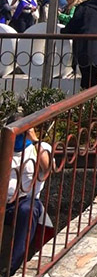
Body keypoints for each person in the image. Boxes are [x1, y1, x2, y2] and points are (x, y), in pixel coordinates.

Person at [5, 116, 52, 275]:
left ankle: (12, 268)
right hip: (3, 202)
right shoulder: (5, 149)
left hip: (24, 201)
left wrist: (33, 138)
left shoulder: (39, 147)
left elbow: (46, 168)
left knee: (28, 210)